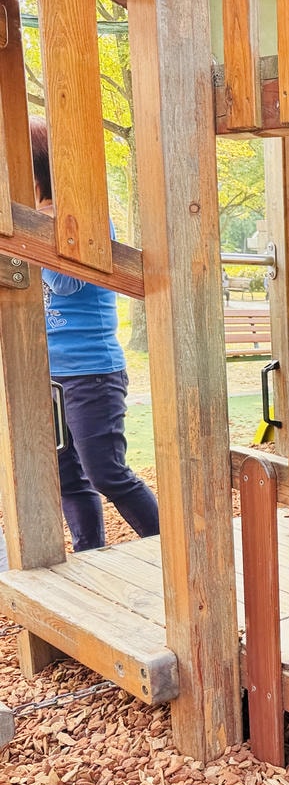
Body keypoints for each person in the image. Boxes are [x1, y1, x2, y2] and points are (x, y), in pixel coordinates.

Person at [29, 117, 160, 550]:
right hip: (50, 375)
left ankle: (171, 549)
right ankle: (91, 554)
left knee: (107, 472)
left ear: (39, 167)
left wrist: (33, 229)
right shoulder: (29, 221)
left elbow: (66, 281)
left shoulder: (85, 215)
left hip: (92, 372)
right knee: (67, 475)